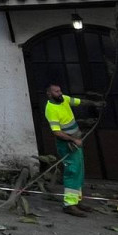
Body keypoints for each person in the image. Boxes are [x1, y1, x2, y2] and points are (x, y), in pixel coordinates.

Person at [44, 81, 103, 217]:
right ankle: (69, 205)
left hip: (75, 141)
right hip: (67, 144)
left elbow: (79, 102)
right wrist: (73, 140)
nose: (60, 93)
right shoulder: (51, 109)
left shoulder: (64, 99)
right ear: (49, 94)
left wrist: (95, 104)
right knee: (72, 172)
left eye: (60, 90)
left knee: (79, 172)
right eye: (56, 91)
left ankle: (76, 201)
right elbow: (56, 132)